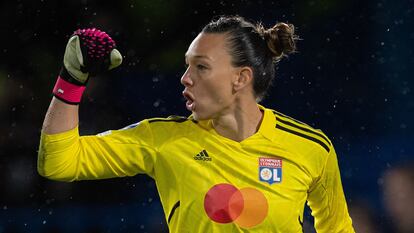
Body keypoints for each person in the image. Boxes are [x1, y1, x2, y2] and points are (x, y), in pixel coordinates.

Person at [38, 16, 355, 232]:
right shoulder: (162, 139)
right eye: (187, 66)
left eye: (201, 67)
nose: (185, 79)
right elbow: (60, 163)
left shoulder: (311, 147)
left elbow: (338, 228)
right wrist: (73, 79)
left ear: (240, 78)